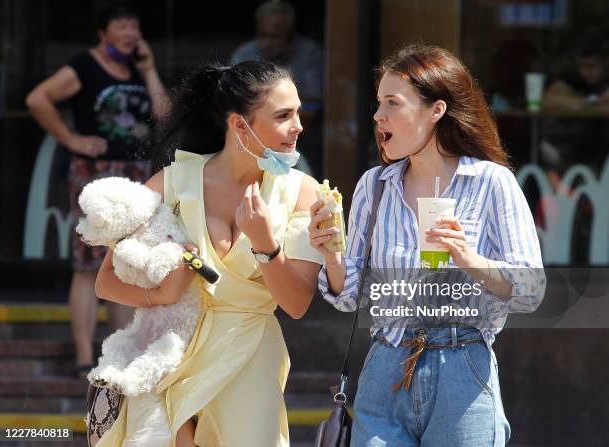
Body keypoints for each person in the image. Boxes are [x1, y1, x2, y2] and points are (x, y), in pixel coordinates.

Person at [309, 44, 546, 446]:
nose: (378, 115)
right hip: (385, 365)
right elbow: (350, 296)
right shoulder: (375, 186)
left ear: (436, 110)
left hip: (462, 368)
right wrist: (332, 252)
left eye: (392, 103)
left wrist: (469, 258)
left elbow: (531, 290)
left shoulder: (491, 183)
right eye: (378, 102)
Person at [93, 60, 323, 446]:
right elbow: (106, 280)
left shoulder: (304, 191)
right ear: (238, 125)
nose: (298, 125)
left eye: (298, 112)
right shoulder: (171, 182)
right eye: (284, 115)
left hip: (249, 359)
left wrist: (267, 245)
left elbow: (297, 304)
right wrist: (161, 294)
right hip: (172, 354)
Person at [25, 5, 169, 378]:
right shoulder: (83, 66)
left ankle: (120, 348)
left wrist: (150, 69)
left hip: (135, 174)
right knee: (88, 261)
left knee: (127, 263)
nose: (130, 32)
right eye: (121, 25)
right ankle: (84, 354)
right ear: (102, 33)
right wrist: (71, 138)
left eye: (134, 24)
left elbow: (165, 117)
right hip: (95, 173)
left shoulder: (138, 69)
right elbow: (37, 99)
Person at [230, 0, 324, 175]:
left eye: (274, 36)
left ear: (290, 35)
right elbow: (232, 103)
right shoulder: (244, 54)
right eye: (263, 35)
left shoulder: (311, 55)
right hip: (249, 142)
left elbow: (312, 109)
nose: (267, 42)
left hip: (305, 142)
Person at [544, 28, 609, 110]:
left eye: (591, 66)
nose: (584, 72)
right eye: (581, 66)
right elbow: (547, 99)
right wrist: (588, 102)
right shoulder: (576, 76)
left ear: (607, 62)